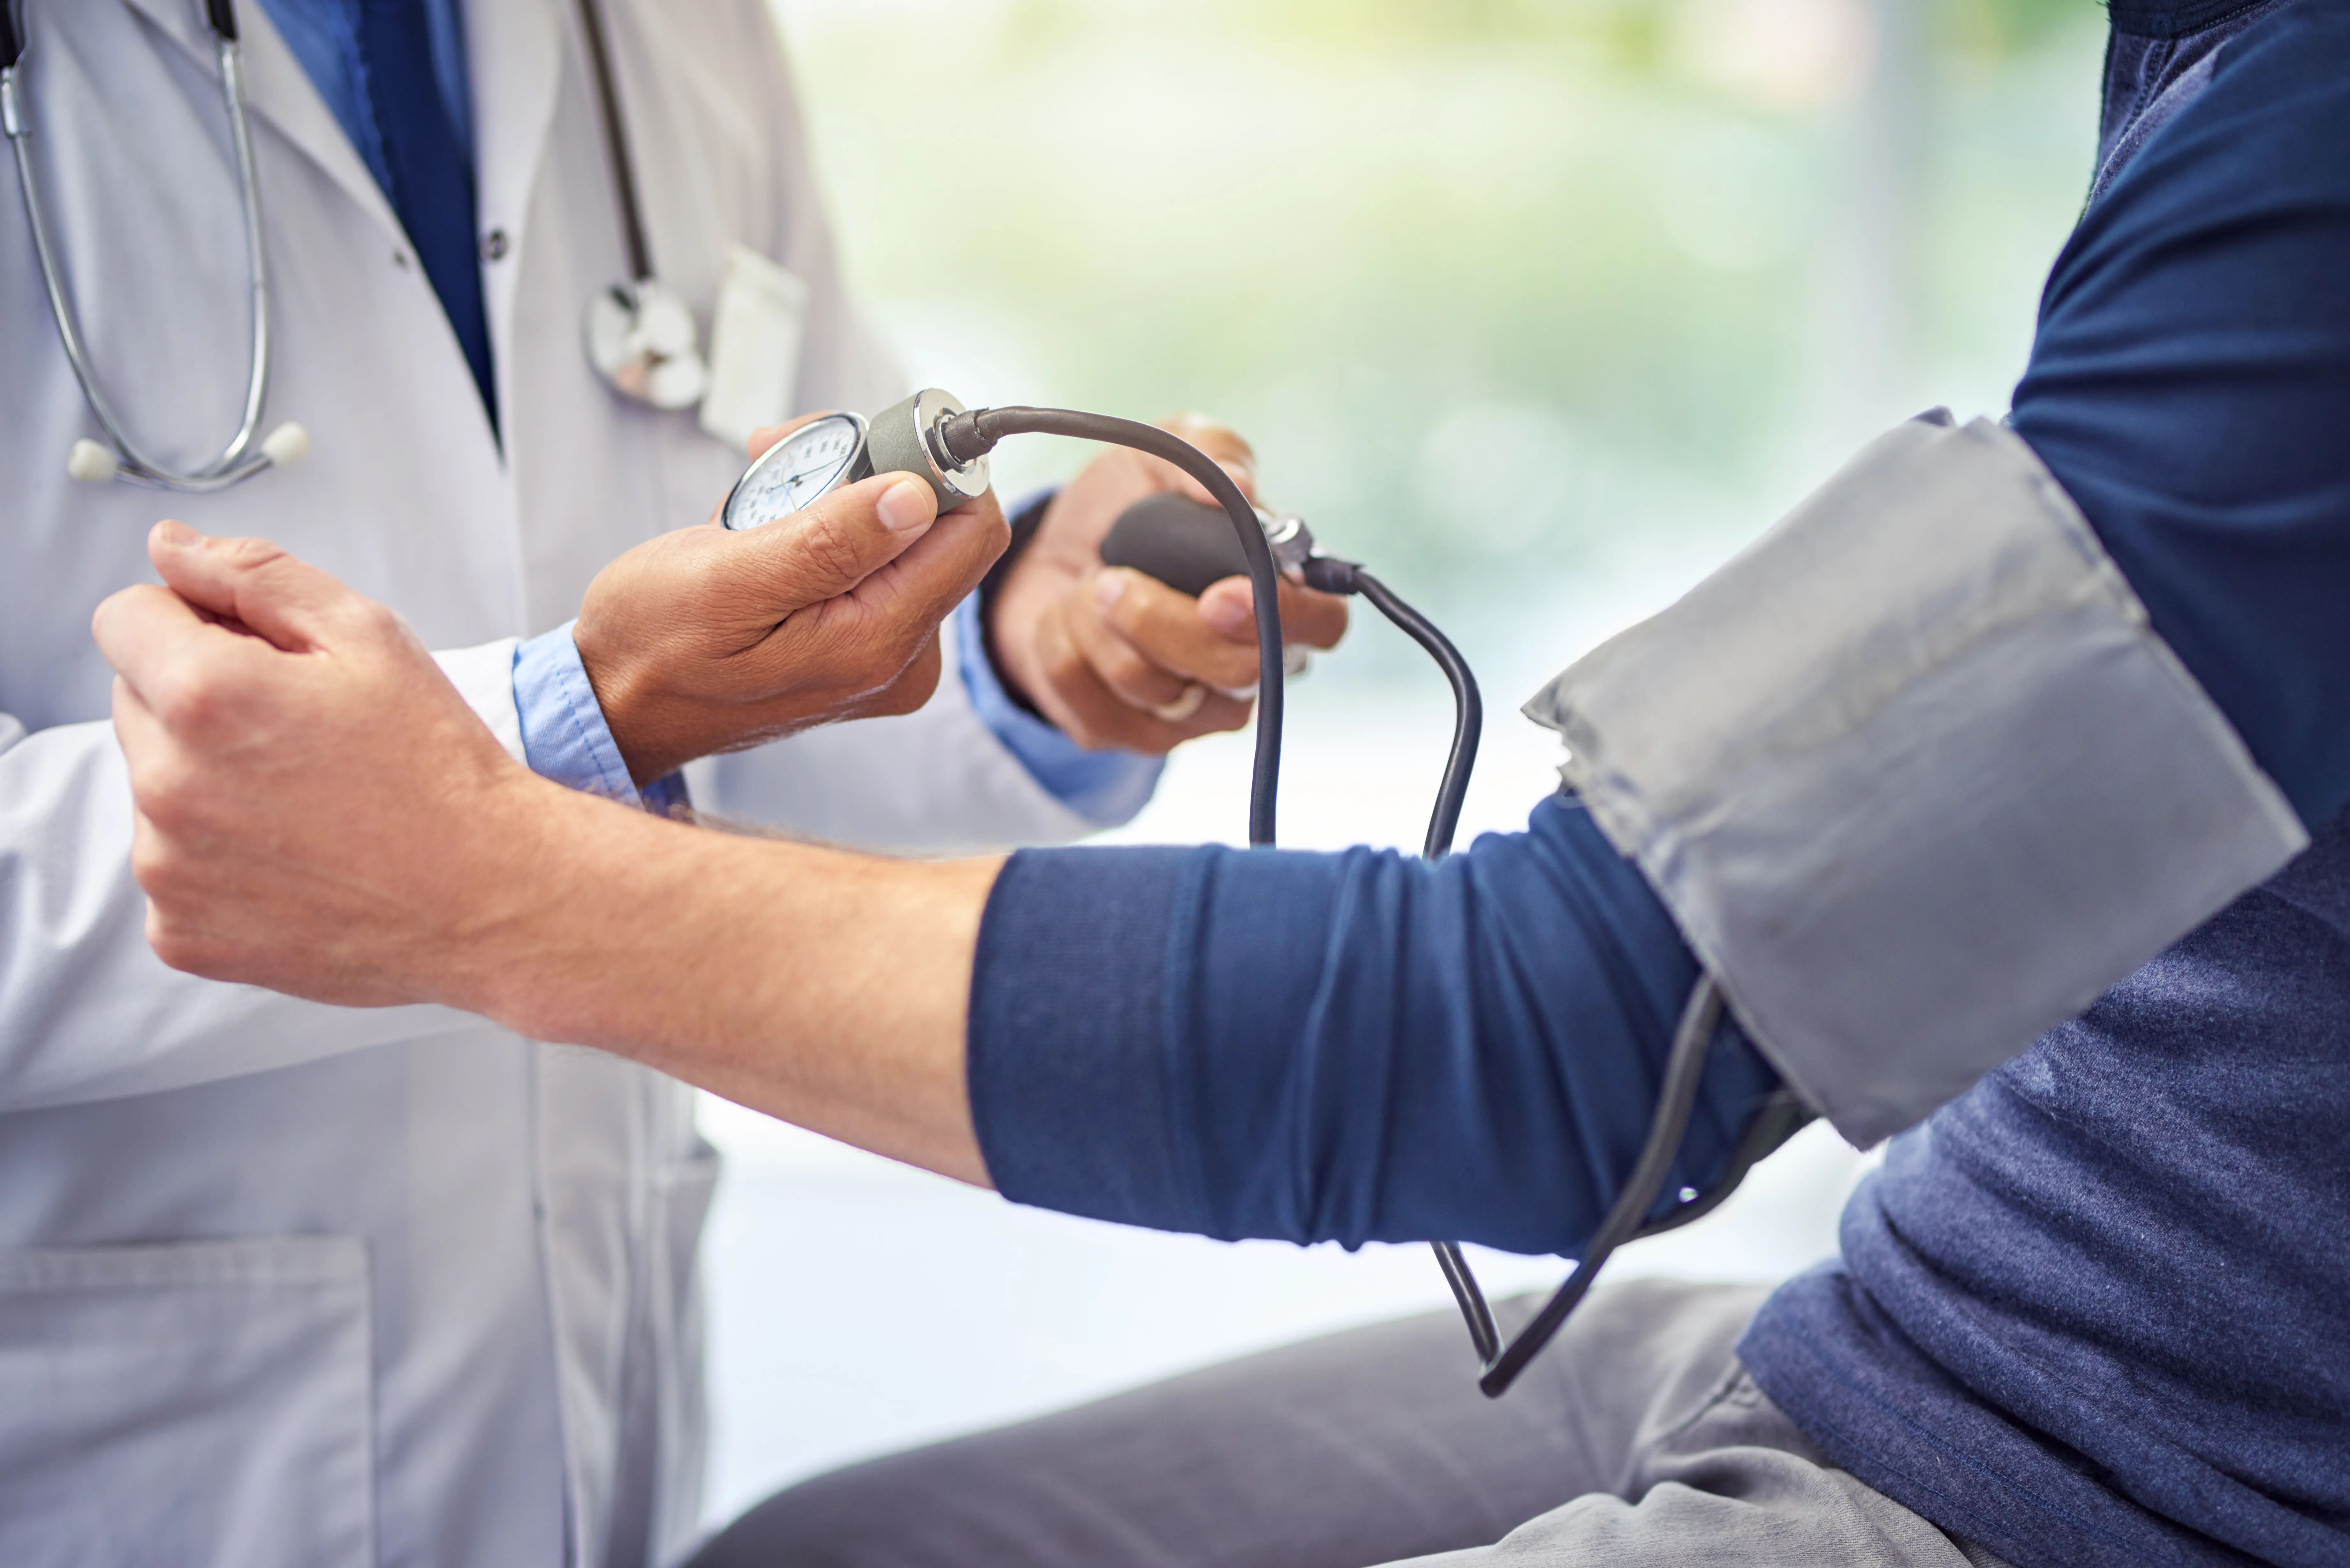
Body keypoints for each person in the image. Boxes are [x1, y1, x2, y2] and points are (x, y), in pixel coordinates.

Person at [87, 0, 2350, 1565]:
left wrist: (498, 882)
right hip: (1936, 1316)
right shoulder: (2214, 82)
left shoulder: (2300, 162)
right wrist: (1012, 631)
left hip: (2144, 1485)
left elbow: (1590, 1035)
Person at [0, 2, 1346, 1564]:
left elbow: (784, 608)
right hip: (127, 1453)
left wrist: (1023, 641)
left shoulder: (672, 33)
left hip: (595, 1395)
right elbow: (640, 690)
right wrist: (576, 722)